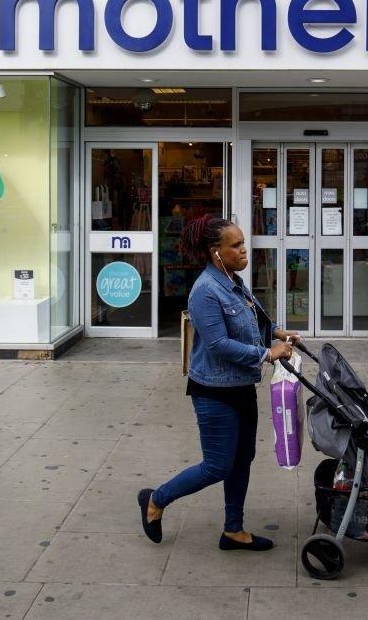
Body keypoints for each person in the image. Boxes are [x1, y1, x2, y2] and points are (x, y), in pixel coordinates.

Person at [137, 215, 299, 551]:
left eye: (243, 243)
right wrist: (268, 354)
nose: (244, 251)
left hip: (241, 387)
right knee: (217, 466)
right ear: (216, 252)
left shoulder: (234, 280)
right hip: (214, 391)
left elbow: (252, 322)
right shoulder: (205, 291)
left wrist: (277, 332)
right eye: (236, 245)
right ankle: (156, 499)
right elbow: (218, 345)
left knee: (243, 458)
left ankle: (233, 529)